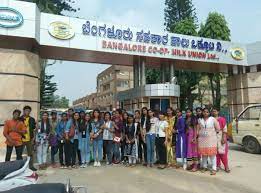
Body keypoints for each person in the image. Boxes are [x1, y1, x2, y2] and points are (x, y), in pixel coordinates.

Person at [198, 108, 220, 175]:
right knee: (204, 154)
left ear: (209, 113)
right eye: (204, 112)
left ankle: (214, 168)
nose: (205, 113)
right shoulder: (199, 120)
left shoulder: (212, 119)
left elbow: (218, 128)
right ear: (202, 112)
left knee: (212, 154)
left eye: (207, 112)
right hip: (202, 139)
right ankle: (205, 167)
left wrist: (212, 134)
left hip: (211, 139)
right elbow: (198, 128)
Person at [212, 107, 230, 173]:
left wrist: (224, 137)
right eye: (213, 111)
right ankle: (217, 165)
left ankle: (226, 166)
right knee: (215, 153)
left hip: (221, 136)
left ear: (218, 112)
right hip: (213, 137)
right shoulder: (211, 119)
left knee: (223, 153)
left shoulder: (222, 119)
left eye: (215, 111)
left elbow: (225, 129)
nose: (214, 112)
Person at [21, 105, 37, 171]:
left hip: (29, 139)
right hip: (21, 139)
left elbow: (33, 129)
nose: (27, 112)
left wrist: (33, 138)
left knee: (30, 154)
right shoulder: (19, 119)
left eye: (29, 111)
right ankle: (20, 166)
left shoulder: (32, 119)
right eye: (26, 110)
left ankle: (31, 166)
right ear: (23, 111)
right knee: (19, 154)